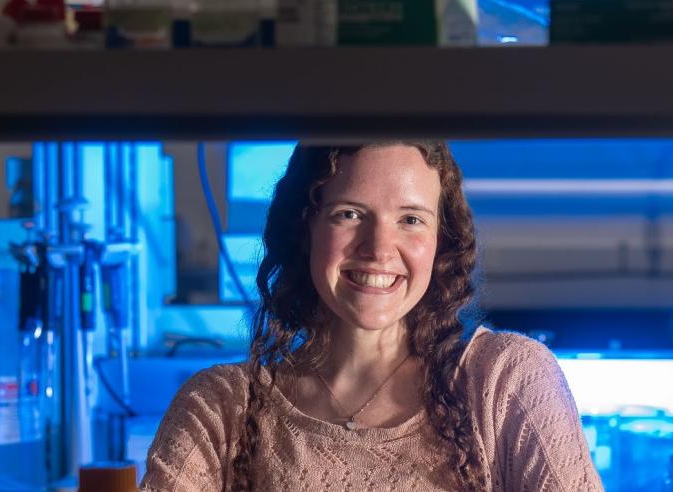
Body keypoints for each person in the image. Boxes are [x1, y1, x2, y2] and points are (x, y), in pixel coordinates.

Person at [140, 142, 603, 491]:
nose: (379, 249)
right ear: (305, 229)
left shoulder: (506, 381)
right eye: (349, 214)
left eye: (411, 219)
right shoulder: (219, 409)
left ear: (442, 240)